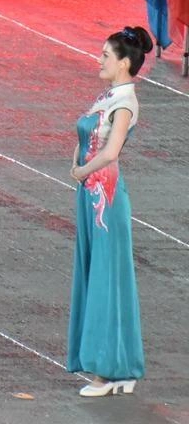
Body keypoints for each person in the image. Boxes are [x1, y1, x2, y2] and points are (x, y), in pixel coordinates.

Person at [67, 26, 149, 397]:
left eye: (105, 56)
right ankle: (119, 367)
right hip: (92, 193)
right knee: (99, 274)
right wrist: (79, 164)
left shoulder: (124, 101)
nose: (99, 60)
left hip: (105, 196)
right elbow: (88, 136)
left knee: (106, 280)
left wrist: (83, 171)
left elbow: (111, 150)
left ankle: (107, 370)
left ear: (124, 63)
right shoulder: (110, 94)